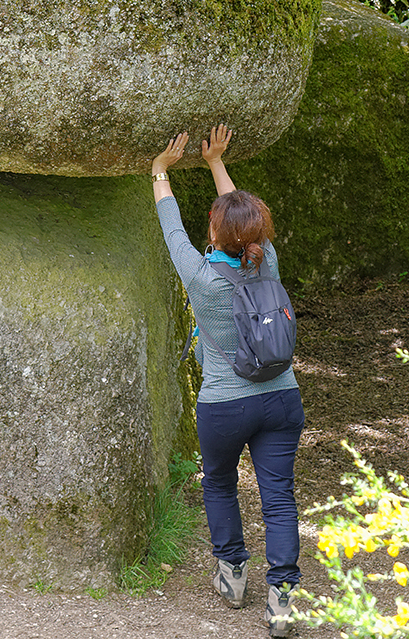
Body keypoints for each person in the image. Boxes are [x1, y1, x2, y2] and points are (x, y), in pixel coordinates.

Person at [152, 123, 302, 639]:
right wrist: (217, 162)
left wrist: (159, 174)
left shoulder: (202, 277)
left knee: (218, 482)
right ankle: (281, 596)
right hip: (282, 397)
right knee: (278, 494)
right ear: (259, 235)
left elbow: (173, 231)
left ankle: (233, 573)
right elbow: (243, 225)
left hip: (224, 404)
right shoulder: (270, 263)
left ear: (213, 234)